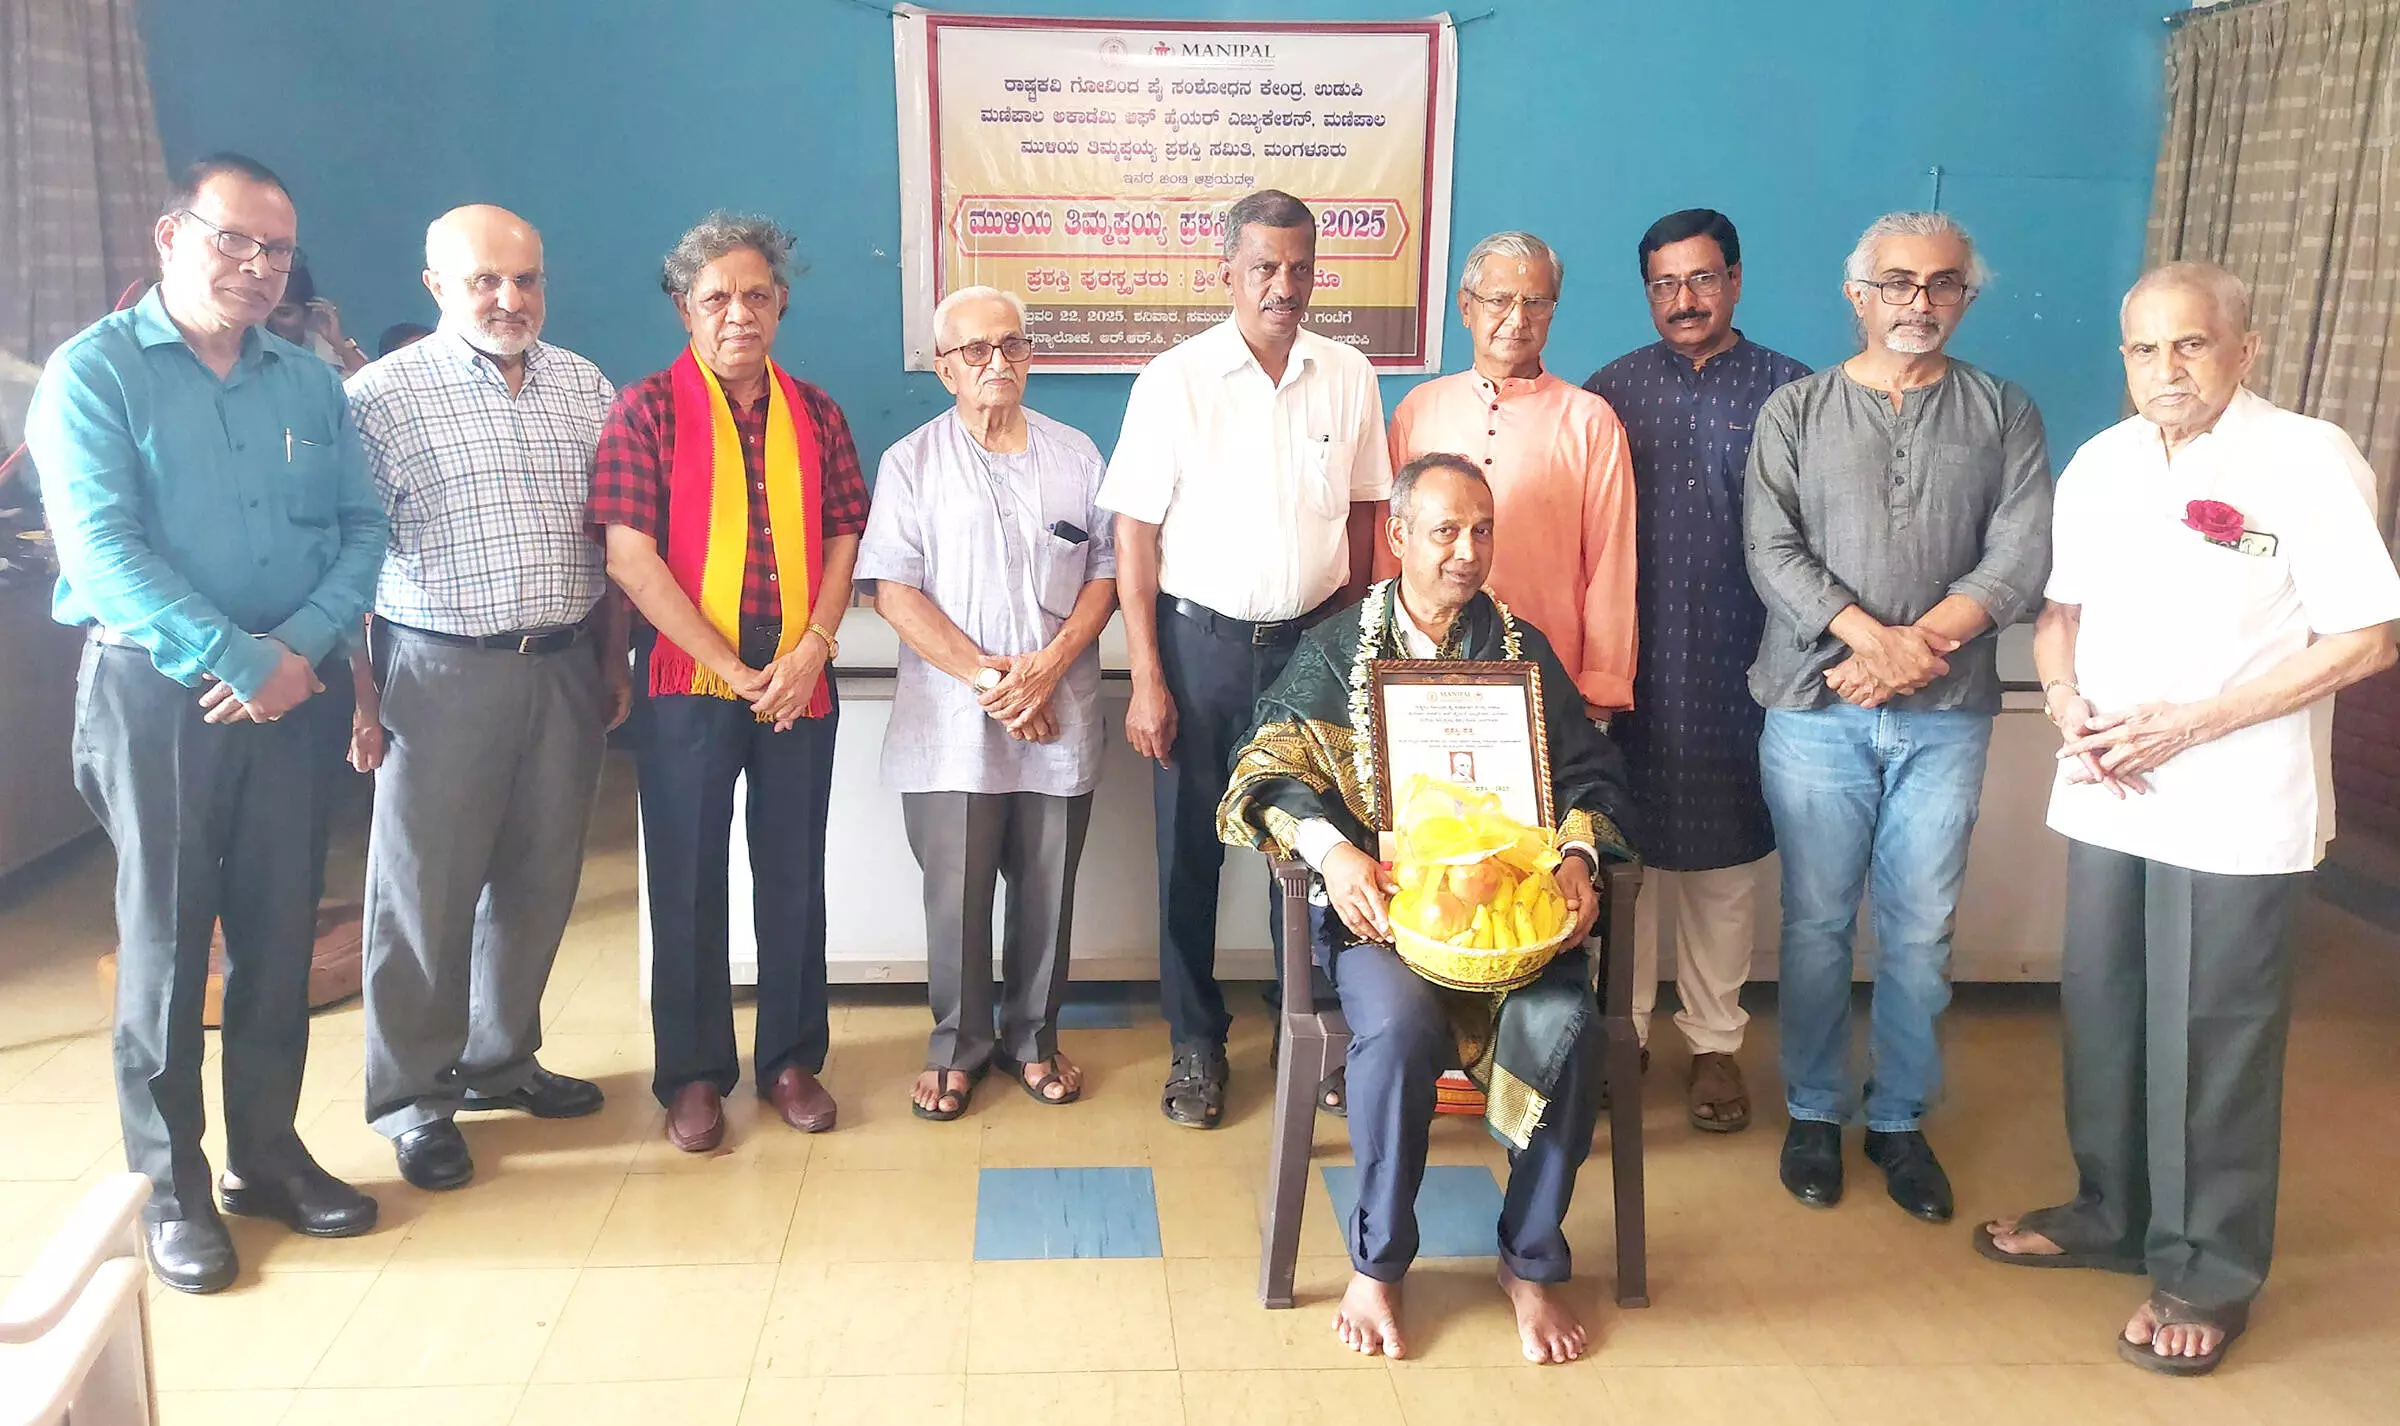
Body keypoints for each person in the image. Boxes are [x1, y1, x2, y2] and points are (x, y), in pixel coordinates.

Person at [1980, 263, 2400, 1374]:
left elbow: (2367, 637)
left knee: (2214, 1035)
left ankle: (2208, 1270)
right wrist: (2065, 705)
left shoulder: (2306, 457)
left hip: (2234, 801)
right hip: (2110, 787)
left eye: (2191, 344)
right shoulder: (2103, 462)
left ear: (2242, 350)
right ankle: (2112, 1212)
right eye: (2144, 349)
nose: (2165, 369)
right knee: (2108, 1013)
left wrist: (2195, 724)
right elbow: (2060, 616)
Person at [26, 153, 388, 1292]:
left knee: (279, 932)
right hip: (158, 694)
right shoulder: (94, 374)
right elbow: (102, 551)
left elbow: (363, 530)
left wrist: (300, 651)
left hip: (291, 690)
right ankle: (171, 1187)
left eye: (277, 249)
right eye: (234, 239)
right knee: (172, 943)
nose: (258, 266)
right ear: (171, 236)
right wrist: (240, 659)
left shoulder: (308, 382)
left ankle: (267, 1155)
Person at [1218, 453, 1636, 1364]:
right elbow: (1266, 767)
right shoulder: (1339, 649)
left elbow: (1594, 775)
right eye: (1445, 531)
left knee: (1566, 1022)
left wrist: (1575, 855)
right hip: (1386, 921)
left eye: (1482, 530)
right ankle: (1378, 1264)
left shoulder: (1521, 652)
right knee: (1402, 1029)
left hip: (1511, 928)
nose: (1466, 551)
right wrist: (1337, 856)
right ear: (1398, 534)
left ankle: (1529, 1262)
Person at [1746, 210, 2051, 1223]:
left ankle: (1899, 1119)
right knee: (1817, 924)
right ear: (1858, 294)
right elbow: (1771, 548)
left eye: (1943, 283)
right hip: (1815, 705)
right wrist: (1871, 644)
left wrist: (1913, 652)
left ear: (1966, 295)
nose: (1920, 301)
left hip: (1948, 712)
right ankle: (1813, 1111)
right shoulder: (1795, 410)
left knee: (1921, 932)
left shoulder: (2003, 411)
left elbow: (2019, 554)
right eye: (1899, 282)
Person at [344, 205, 628, 1190]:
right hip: (438, 672)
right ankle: (413, 1099)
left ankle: (501, 1060)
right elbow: (346, 561)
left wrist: (613, 661)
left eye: (527, 278)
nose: (511, 299)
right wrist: (361, 699)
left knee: (539, 878)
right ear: (436, 286)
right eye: (485, 281)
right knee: (424, 893)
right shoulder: (380, 398)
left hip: (564, 663)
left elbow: (614, 541)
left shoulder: (585, 385)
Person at [1098, 188, 1392, 1129]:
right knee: (1190, 856)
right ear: (1226, 271)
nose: (1283, 286)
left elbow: (1365, 515)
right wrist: (1147, 677)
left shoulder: (1347, 374)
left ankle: (1310, 1029)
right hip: (1200, 650)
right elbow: (1133, 536)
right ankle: (1196, 1044)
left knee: (1311, 847)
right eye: (1265, 267)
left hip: (1313, 651)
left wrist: (1352, 646)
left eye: (1300, 269)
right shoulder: (1174, 380)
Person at [590, 211, 867, 1153]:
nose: (738, 314)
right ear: (685, 309)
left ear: (780, 304)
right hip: (689, 684)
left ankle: (790, 1060)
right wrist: (734, 669)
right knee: (686, 879)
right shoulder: (647, 410)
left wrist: (813, 647)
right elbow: (630, 558)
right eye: (717, 298)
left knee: (792, 874)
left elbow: (844, 533)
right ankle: (694, 1075)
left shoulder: (816, 413)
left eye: (756, 296)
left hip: (798, 681)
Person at [856, 286, 1117, 1119]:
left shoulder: (1077, 455)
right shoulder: (911, 463)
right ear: (945, 369)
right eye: (976, 350)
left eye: (1012, 345)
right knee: (958, 896)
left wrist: (1048, 668)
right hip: (952, 721)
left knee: (1047, 889)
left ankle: (1033, 1039)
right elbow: (892, 590)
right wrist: (995, 683)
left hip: (1058, 709)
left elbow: (1109, 571)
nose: (997, 361)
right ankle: (957, 1048)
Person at [1587, 209, 1811, 1134]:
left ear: (1736, 280)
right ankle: (1626, 1036)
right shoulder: (1611, 393)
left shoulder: (1794, 391)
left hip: (1744, 664)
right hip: (1629, 666)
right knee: (1624, 862)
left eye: (1703, 279)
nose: (1684, 300)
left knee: (1724, 869)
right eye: (1665, 285)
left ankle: (1716, 1045)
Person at [1383, 231, 1636, 717]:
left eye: (1536, 303)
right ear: (1466, 307)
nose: (1517, 320)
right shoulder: (1419, 410)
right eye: (1498, 300)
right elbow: (1389, 547)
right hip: (1424, 673)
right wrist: (1384, 658)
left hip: (1550, 675)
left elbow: (1612, 565)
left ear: (1553, 311)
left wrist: (1601, 688)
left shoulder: (1590, 421)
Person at [266, 260, 370, 375]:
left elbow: (372, 381)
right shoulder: (253, 347)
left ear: (308, 312)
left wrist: (339, 343)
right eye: (265, 310)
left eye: (284, 313)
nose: (271, 320)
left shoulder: (324, 349)